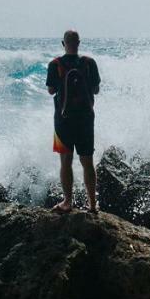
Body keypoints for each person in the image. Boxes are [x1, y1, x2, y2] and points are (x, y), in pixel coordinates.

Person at [47, 29, 100, 213]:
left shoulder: (55, 64)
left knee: (66, 162)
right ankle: (93, 204)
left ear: (63, 43)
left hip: (63, 121)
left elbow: (51, 91)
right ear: (79, 43)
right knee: (87, 162)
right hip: (86, 120)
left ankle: (68, 202)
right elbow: (95, 90)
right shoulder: (89, 63)